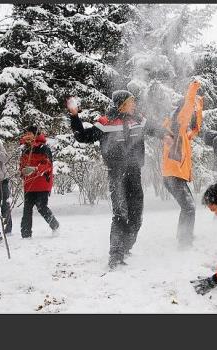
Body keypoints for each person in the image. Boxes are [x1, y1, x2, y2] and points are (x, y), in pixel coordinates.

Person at [67, 90, 173, 269]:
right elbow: (82, 137)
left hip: (134, 173)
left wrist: (165, 134)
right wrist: (74, 116)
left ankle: (125, 247)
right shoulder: (105, 123)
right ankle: (115, 255)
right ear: (121, 104)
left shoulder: (138, 120)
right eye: (131, 102)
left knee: (136, 217)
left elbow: (153, 128)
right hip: (116, 174)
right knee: (120, 214)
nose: (134, 104)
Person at [162, 81, 203, 248]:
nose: (190, 113)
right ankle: (184, 241)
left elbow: (196, 130)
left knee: (188, 207)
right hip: (173, 175)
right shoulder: (176, 125)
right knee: (189, 207)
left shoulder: (183, 133)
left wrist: (199, 109)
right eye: (189, 111)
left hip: (175, 175)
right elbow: (187, 107)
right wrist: (193, 89)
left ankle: (184, 237)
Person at [19, 126, 59, 238]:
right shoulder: (24, 149)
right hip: (29, 183)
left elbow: (48, 165)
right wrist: (22, 172)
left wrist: (36, 169)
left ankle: (55, 225)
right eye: (25, 134)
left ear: (35, 134)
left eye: (29, 133)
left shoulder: (44, 148)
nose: (26, 136)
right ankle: (26, 234)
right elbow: (21, 165)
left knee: (41, 207)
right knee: (27, 209)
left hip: (42, 183)